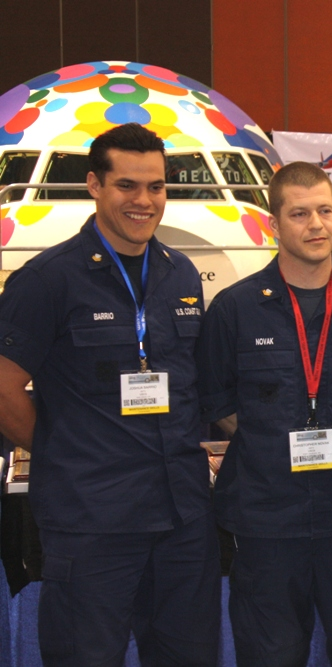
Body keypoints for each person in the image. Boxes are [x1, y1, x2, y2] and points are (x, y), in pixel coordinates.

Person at [0, 123, 220, 666]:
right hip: (92, 523)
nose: (143, 201)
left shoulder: (181, 272)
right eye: (127, 185)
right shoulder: (47, 278)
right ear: (94, 185)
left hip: (182, 519)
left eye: (156, 186)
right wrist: (66, 451)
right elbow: (3, 388)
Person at [196, 161, 332, 666]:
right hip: (268, 521)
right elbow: (218, 402)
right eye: (300, 213)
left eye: (326, 211)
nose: (317, 225)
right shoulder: (235, 309)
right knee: (271, 654)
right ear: (273, 224)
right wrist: (269, 438)